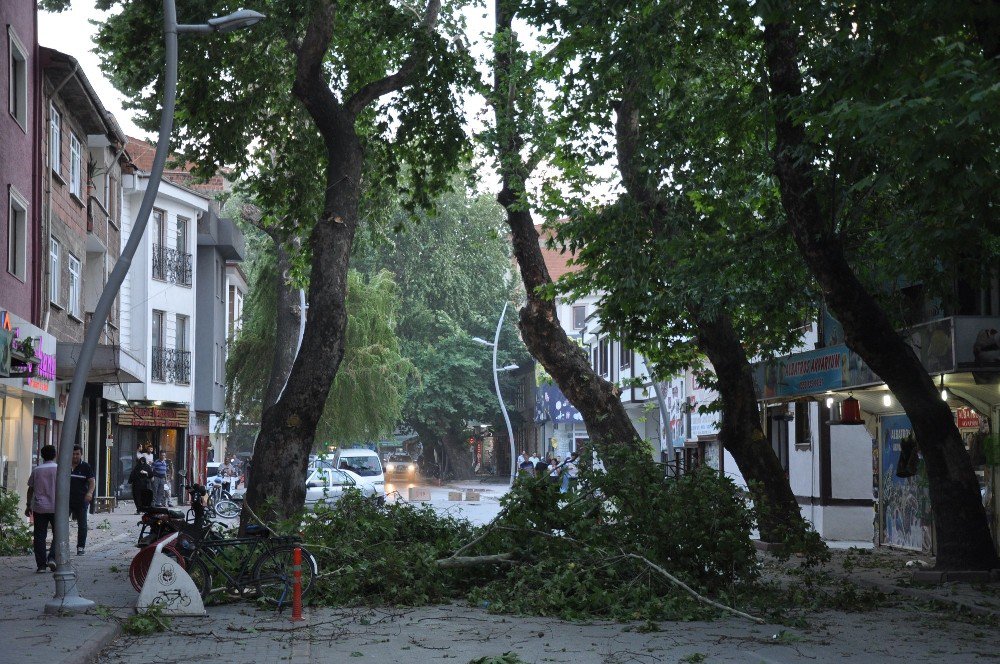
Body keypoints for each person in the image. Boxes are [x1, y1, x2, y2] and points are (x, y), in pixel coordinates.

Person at [25, 444, 58, 572]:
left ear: (42, 456)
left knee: (39, 536)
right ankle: (52, 558)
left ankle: (41, 566)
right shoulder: (59, 469)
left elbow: (30, 489)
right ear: (55, 455)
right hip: (56, 508)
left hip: (39, 508)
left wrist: (28, 505)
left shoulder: (37, 470)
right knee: (59, 534)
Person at [69, 445, 95, 555]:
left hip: (81, 499)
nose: (75, 456)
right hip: (66, 500)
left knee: (82, 524)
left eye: (77, 454)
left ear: (81, 455)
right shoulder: (64, 466)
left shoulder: (85, 467)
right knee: (60, 523)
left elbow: (92, 482)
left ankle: (80, 547)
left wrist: (89, 493)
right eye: (73, 454)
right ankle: (60, 545)